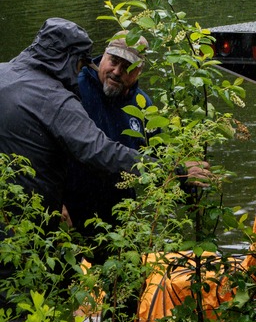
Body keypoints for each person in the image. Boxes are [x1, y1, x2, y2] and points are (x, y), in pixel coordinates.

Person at [0, 18, 141, 216]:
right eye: (80, 65)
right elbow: (99, 150)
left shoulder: (3, 72)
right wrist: (168, 169)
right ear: (68, 59)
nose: (79, 72)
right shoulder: (56, 99)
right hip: (31, 216)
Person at [63, 31, 151, 238]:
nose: (117, 72)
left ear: (139, 71)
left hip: (120, 215)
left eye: (127, 67)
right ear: (103, 55)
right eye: (113, 61)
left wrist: (184, 177)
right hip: (70, 212)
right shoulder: (73, 88)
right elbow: (44, 149)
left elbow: (157, 158)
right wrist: (54, 201)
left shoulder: (143, 106)